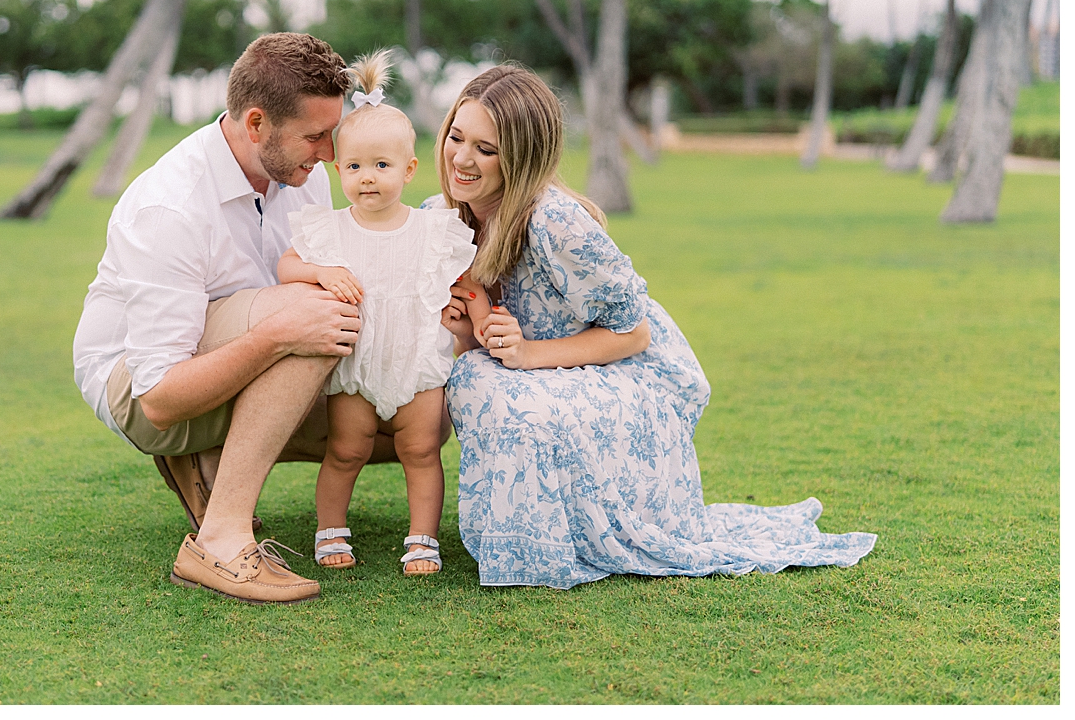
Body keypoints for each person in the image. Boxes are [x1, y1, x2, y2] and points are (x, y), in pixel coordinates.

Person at [426, 64, 877, 588]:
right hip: (540, 369)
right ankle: (524, 537)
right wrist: (466, 331)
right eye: (457, 136)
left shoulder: (555, 223)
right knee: (478, 374)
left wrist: (527, 354)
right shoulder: (442, 217)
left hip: (622, 375)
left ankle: (544, 547)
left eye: (486, 148)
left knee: (488, 382)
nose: (461, 158)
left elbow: (634, 334)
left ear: (522, 157)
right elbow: (472, 341)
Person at [73, 32, 444, 605]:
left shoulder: (305, 175)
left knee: (408, 427)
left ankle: (213, 460)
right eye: (316, 136)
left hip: (239, 355)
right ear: (255, 124)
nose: (328, 153)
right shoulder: (169, 207)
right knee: (314, 311)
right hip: (143, 390)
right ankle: (219, 541)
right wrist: (278, 335)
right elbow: (159, 401)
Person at [277, 52, 481, 576]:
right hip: (357, 364)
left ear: (409, 169)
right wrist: (320, 274)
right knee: (346, 450)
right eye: (355, 166)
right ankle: (330, 530)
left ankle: (421, 538)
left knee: (420, 451)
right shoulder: (331, 231)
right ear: (338, 168)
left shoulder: (434, 230)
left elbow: (464, 282)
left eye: (382, 166)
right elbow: (285, 267)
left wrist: (467, 308)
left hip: (417, 360)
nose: (368, 178)